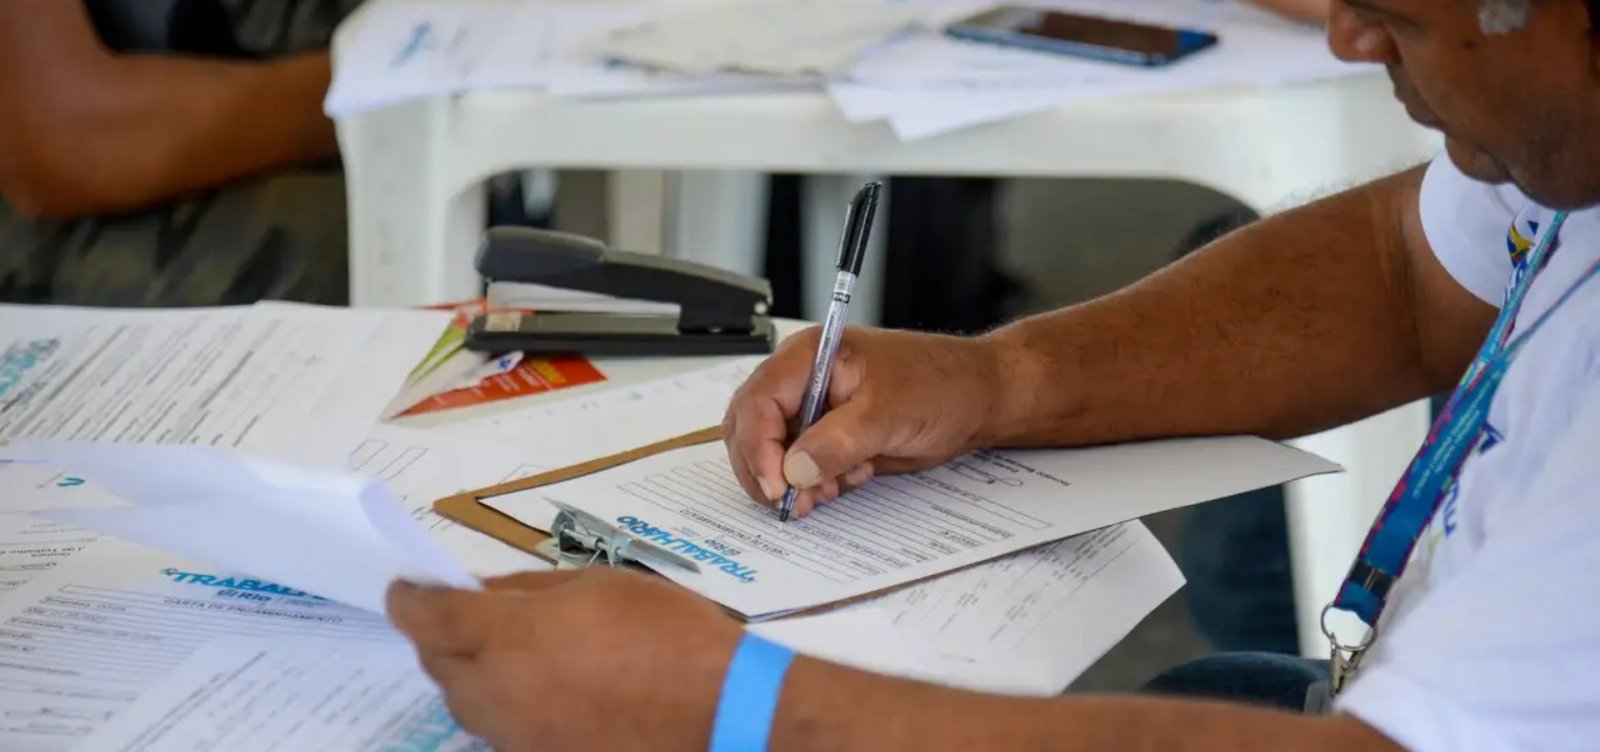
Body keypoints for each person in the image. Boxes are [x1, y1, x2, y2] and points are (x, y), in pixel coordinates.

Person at [380, 0, 1600, 749]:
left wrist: (724, 709)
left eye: (1398, 9)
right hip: (1385, 692)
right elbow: (1407, 266)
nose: (1343, 32)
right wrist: (998, 380)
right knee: (1210, 682)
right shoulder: (1565, 141)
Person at [0, 0, 356, 306]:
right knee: (347, 241)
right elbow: (66, 144)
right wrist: (369, 95)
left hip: (343, 78)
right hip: (80, 212)